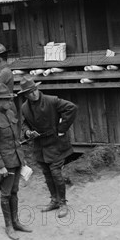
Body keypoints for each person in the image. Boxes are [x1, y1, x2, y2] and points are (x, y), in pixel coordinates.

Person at [19, 75, 78, 218]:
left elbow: (72, 108)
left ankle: (63, 203)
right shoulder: (24, 107)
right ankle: (54, 200)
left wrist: (62, 128)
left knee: (56, 172)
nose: (33, 94)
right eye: (29, 92)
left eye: (34, 90)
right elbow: (24, 123)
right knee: (47, 173)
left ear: (37, 88)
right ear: (25, 94)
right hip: (39, 144)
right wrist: (27, 132)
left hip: (55, 142)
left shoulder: (52, 100)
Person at [0, 83, 32, 240]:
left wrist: (22, 159)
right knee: (5, 194)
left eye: (10, 99)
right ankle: (9, 226)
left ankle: (16, 221)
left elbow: (16, 139)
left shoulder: (11, 113)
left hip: (16, 159)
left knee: (14, 192)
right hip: (6, 163)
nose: (9, 102)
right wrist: (0, 166)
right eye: (5, 100)